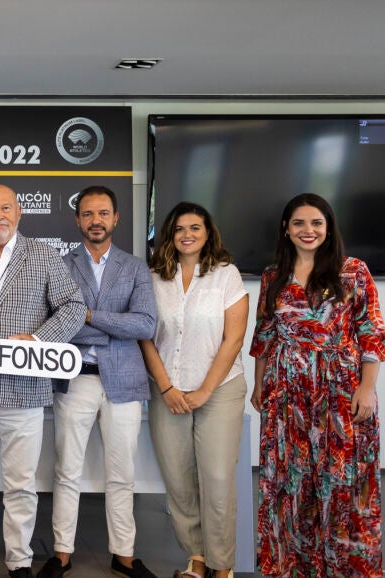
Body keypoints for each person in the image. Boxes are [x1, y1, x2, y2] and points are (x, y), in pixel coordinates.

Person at [250, 193, 385, 577]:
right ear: (286, 228)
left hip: (341, 393)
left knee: (342, 483)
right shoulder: (272, 276)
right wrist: (258, 385)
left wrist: (368, 388)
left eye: (316, 223)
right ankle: (296, 567)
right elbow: (264, 336)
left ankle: (342, 568)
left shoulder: (353, 271)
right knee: (291, 483)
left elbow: (371, 333)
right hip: (286, 395)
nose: (308, 230)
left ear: (328, 228)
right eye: (299, 223)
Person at [0, 184, 86, 578]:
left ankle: (19, 561)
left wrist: (39, 340)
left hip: (24, 389)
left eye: (5, 208)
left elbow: (74, 307)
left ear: (19, 212)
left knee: (21, 485)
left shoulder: (44, 255)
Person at [43, 185, 157, 578]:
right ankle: (61, 554)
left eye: (103, 213)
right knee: (66, 470)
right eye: (88, 214)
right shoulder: (60, 264)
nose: (96, 221)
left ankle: (123, 555)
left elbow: (144, 324)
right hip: (75, 379)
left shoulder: (135, 267)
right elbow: (56, 326)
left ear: (115, 218)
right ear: (78, 220)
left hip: (123, 381)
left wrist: (87, 316)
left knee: (122, 473)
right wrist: (113, 325)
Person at [140, 202, 248, 578]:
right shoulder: (153, 277)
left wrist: (204, 391)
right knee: (178, 480)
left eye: (195, 228)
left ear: (207, 233)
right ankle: (197, 558)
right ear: (169, 235)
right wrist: (166, 387)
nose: (187, 235)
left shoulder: (226, 275)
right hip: (168, 389)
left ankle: (222, 566)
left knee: (217, 479)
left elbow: (234, 339)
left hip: (219, 390)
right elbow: (145, 336)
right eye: (179, 229)